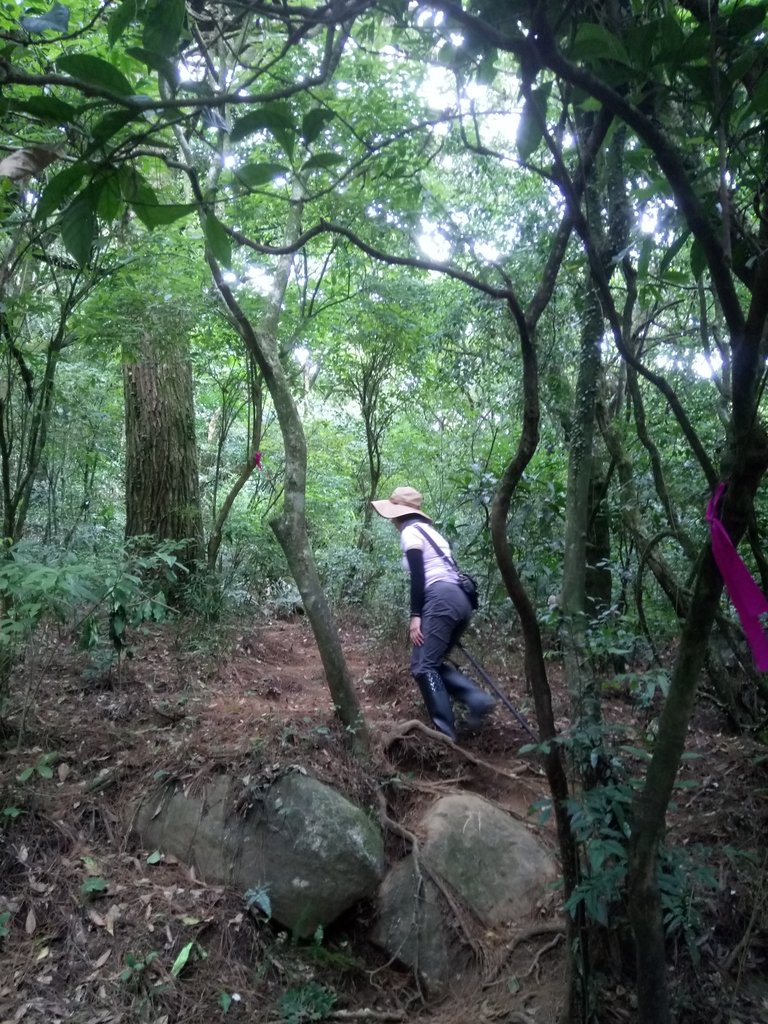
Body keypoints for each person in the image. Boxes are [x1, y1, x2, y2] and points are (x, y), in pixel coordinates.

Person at [371, 486, 495, 741]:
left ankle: (445, 732)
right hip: (459, 600)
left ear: (397, 514)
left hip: (439, 600)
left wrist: (415, 616)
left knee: (423, 666)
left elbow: (419, 576)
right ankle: (475, 699)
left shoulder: (410, 533)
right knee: (433, 663)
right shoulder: (431, 533)